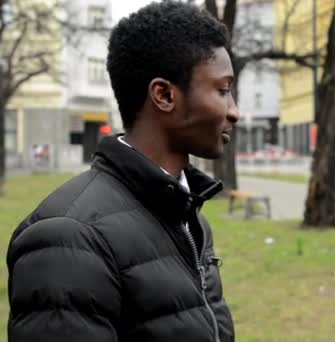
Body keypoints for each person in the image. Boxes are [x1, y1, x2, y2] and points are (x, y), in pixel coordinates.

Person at [7, 2, 239, 341]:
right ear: (163, 95)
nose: (234, 112)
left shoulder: (188, 217)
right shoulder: (67, 237)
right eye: (223, 90)